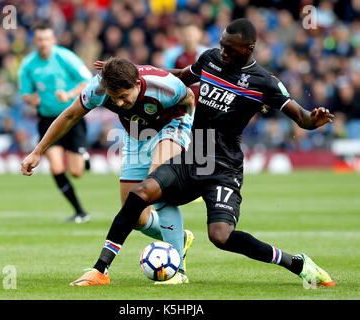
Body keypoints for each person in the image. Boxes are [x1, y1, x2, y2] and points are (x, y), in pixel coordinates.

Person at [73, 18, 336, 287]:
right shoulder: (210, 59)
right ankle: (101, 270)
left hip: (223, 168)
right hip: (193, 156)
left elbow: (301, 117)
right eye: (222, 46)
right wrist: (130, 72)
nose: (223, 53)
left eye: (230, 49)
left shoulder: (264, 82)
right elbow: (178, 76)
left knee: (220, 236)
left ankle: (299, 264)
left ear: (249, 49)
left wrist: (312, 121)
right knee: (140, 194)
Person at [21, 57, 196, 285]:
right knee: (135, 217)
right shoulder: (98, 88)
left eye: (124, 97)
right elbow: (70, 115)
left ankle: (178, 272)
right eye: (114, 99)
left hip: (171, 125)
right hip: (136, 134)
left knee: (156, 186)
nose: (119, 104)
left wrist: (188, 133)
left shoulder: (164, 85)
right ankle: (177, 238)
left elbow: (190, 99)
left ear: (136, 84)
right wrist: (37, 151)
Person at [18, 20, 92, 223]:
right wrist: (32, 99)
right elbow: (25, 93)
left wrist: (69, 94)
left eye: (46, 39)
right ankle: (80, 212)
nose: (43, 43)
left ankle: (84, 158)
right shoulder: (28, 65)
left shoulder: (66, 57)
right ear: (35, 41)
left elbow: (88, 81)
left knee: (76, 172)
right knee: (56, 168)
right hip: (48, 120)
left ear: (54, 40)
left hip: (72, 116)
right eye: (39, 39)